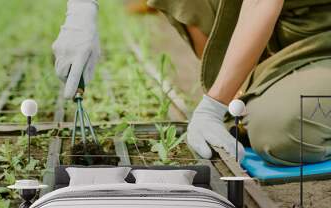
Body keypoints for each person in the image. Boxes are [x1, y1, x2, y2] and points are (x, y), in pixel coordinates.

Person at [52, 0, 331, 166]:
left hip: (322, 36)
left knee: (279, 133)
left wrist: (213, 105)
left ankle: (254, 94)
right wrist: (81, 13)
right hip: (282, 23)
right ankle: (244, 85)